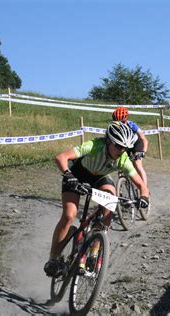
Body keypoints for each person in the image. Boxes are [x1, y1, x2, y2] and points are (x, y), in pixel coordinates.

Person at [44, 121, 150, 277]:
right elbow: (61, 157)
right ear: (109, 142)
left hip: (99, 178)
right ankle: (53, 259)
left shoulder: (123, 159)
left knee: (110, 204)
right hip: (77, 175)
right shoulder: (94, 146)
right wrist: (68, 175)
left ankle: (94, 252)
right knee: (69, 215)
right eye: (119, 146)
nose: (122, 151)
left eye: (125, 148)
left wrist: (144, 198)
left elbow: (142, 185)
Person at [112, 107, 149, 186]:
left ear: (126, 119)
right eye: (117, 122)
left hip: (136, 143)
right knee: (120, 163)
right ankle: (121, 188)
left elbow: (144, 140)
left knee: (137, 163)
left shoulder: (132, 125)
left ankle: (145, 189)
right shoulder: (114, 127)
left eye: (123, 121)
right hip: (125, 145)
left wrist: (143, 152)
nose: (120, 124)